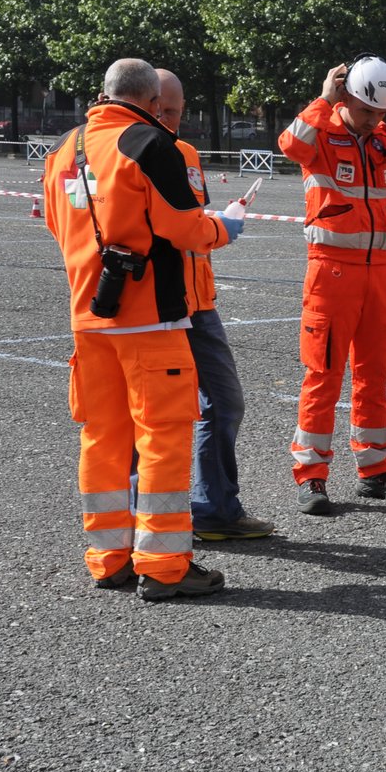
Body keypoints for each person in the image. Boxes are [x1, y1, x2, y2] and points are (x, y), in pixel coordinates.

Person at [42, 58, 242, 601]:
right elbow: (184, 228)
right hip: (152, 319)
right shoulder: (151, 145)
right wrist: (224, 227)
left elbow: (58, 226)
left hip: (89, 317)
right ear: (152, 102)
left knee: (102, 439)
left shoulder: (65, 147)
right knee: (162, 439)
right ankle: (164, 565)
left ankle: (107, 559)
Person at [278, 55, 386, 515]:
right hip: (331, 272)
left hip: (382, 274)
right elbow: (290, 146)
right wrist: (323, 100)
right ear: (346, 96)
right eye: (366, 110)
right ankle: (311, 475)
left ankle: (374, 469)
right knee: (324, 375)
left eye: (380, 112)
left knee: (374, 376)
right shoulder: (320, 135)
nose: (374, 120)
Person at [153, 69, 275, 541]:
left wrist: (214, 221)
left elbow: (187, 222)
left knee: (224, 405)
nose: (167, 120)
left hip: (198, 301)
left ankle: (214, 510)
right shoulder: (138, 151)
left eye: (175, 112)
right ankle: (150, 522)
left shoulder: (184, 153)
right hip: (158, 306)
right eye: (160, 110)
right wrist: (220, 228)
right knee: (155, 416)